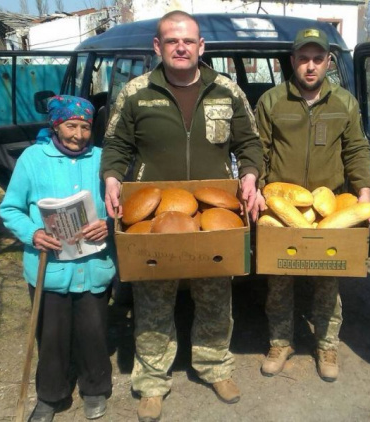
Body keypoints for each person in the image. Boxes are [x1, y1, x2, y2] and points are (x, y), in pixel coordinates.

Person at [100, 11, 264, 422]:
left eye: (188, 41)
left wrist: (250, 177)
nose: (180, 47)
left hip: (213, 214)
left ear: (201, 46)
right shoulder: (136, 92)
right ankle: (153, 383)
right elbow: (116, 144)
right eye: (171, 40)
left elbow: (251, 143)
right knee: (154, 301)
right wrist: (111, 180)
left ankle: (214, 366)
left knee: (214, 296)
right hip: (153, 220)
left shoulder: (227, 90)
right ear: (157, 47)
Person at [253, 28, 370, 382]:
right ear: (292, 62)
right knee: (279, 279)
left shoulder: (345, 104)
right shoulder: (272, 102)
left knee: (328, 280)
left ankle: (326, 344)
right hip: (281, 206)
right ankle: (280, 341)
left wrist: (364, 191)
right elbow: (259, 151)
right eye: (303, 59)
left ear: (328, 62)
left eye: (317, 59)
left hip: (328, 206)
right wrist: (257, 189)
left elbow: (356, 150)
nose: (310, 66)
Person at [0, 95, 115, 422]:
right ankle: (51, 395)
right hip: (49, 269)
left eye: (85, 127)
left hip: (93, 266)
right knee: (52, 337)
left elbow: (120, 208)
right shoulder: (33, 158)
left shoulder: (104, 159)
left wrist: (107, 225)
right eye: (70, 126)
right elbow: (10, 208)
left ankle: (95, 389)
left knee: (93, 333)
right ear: (55, 125)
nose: (78, 135)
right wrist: (33, 234)